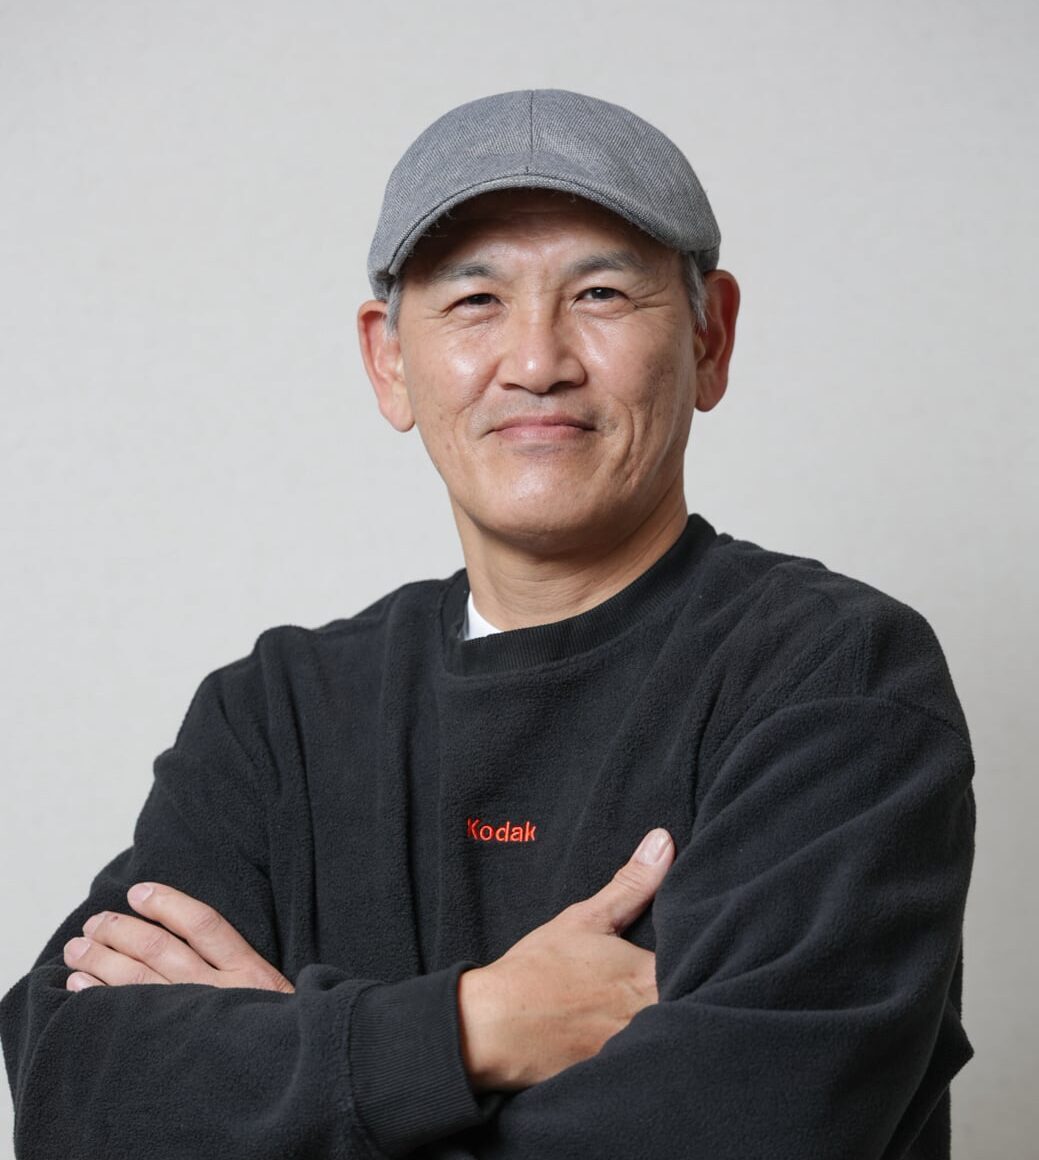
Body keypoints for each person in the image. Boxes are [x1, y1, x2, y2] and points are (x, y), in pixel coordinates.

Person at [0, 89, 975, 1159]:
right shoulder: (275, 715)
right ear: (388, 360)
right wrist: (474, 1025)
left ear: (710, 337)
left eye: (600, 293)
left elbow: (747, 1132)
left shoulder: (831, 679)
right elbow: (74, 1088)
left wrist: (286, 1084)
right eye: (475, 301)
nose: (537, 360)